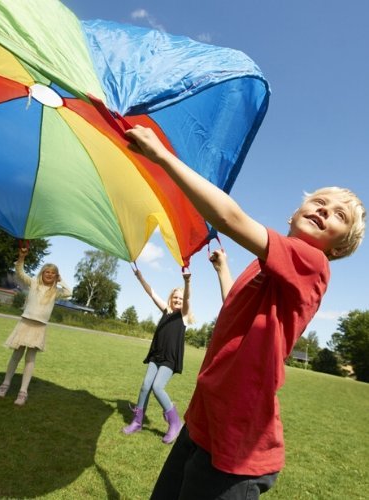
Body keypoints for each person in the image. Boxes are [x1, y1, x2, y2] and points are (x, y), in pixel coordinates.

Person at [125, 124, 366, 499]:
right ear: (294, 213)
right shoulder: (265, 266)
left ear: (336, 248)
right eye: (320, 201)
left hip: (237, 443)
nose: (324, 211)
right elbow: (235, 314)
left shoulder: (313, 262)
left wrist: (162, 158)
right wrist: (224, 271)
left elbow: (229, 219)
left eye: (339, 216)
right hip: (205, 419)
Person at [122, 267, 195, 444]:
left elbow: (187, 299)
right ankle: (137, 422)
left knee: (157, 387)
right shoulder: (166, 311)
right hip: (156, 355)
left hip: (170, 359)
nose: (177, 300)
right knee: (146, 385)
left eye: (180, 297)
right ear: (171, 298)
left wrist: (187, 282)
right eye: (175, 297)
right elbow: (152, 293)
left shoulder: (183, 315)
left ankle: (175, 422)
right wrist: (140, 278)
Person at [0, 247, 72, 406]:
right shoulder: (33, 284)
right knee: (16, 355)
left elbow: (69, 292)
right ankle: (5, 384)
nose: (50, 275)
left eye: (53, 273)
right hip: (25, 322)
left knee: (30, 359)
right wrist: (21, 257)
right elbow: (20, 273)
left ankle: (23, 392)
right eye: (47, 272)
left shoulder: (55, 291)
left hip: (39, 327)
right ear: (42, 273)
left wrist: (60, 279)